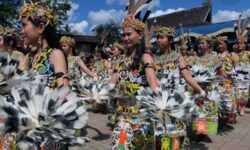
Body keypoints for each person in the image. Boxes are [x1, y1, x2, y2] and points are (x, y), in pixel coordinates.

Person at [19, 2, 68, 88]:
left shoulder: (55, 54)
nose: (21, 31)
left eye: (24, 25)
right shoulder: (27, 57)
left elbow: (65, 93)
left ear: (41, 28)